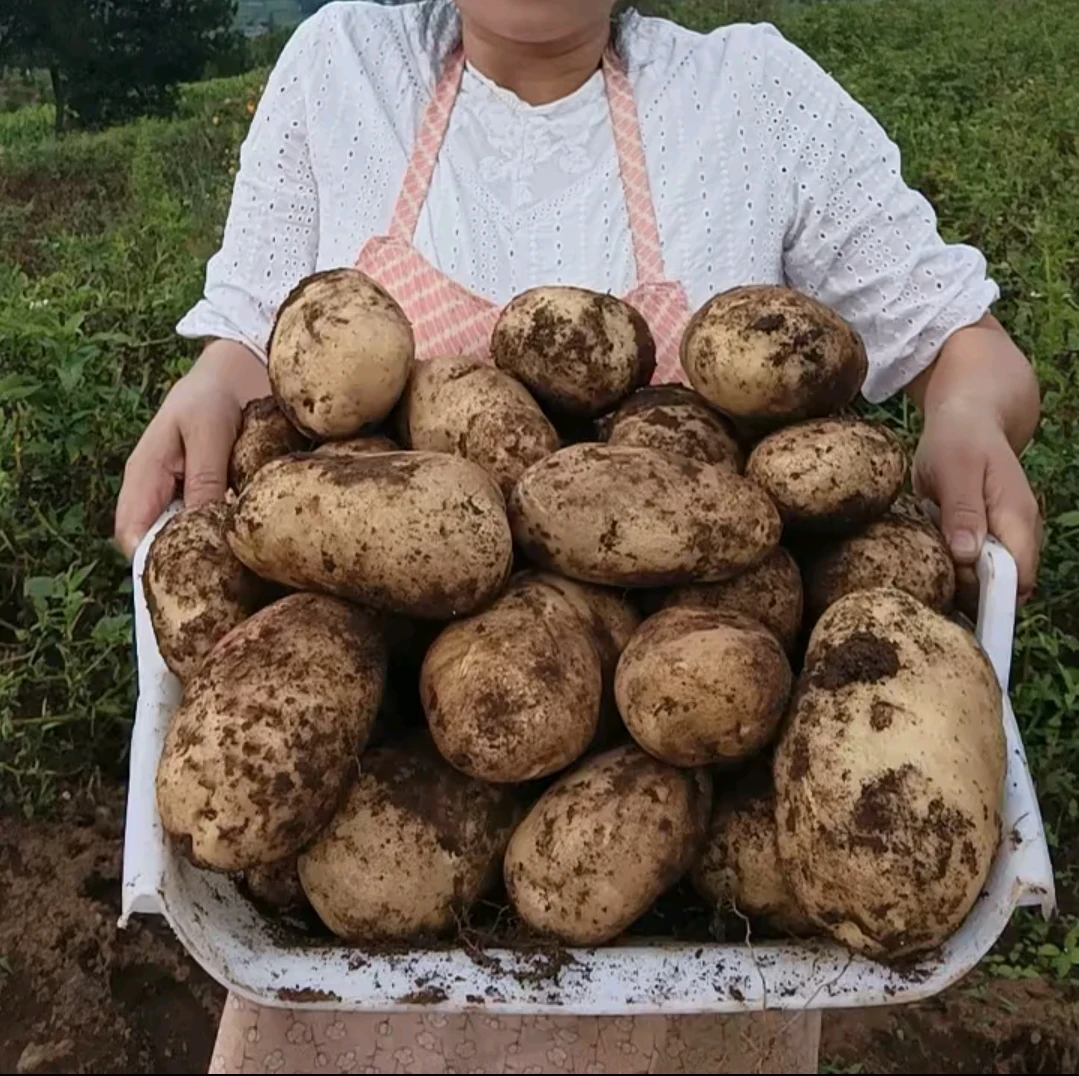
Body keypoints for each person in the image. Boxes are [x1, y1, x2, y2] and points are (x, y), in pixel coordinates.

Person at [112, 1, 1043, 1072]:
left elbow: (965, 344)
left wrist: (965, 410)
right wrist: (207, 391)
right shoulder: (344, 66)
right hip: (363, 935)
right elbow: (248, 344)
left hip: (691, 950)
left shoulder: (753, 95)